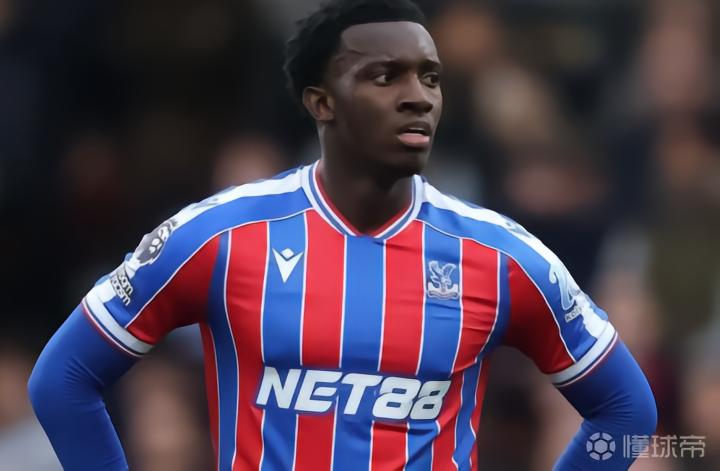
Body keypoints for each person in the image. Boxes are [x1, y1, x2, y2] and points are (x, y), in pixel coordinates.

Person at [28, 0, 657, 469]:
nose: (418, 97)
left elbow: (629, 412)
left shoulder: (501, 257)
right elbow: (62, 380)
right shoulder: (222, 235)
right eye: (386, 77)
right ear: (320, 102)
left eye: (430, 78)